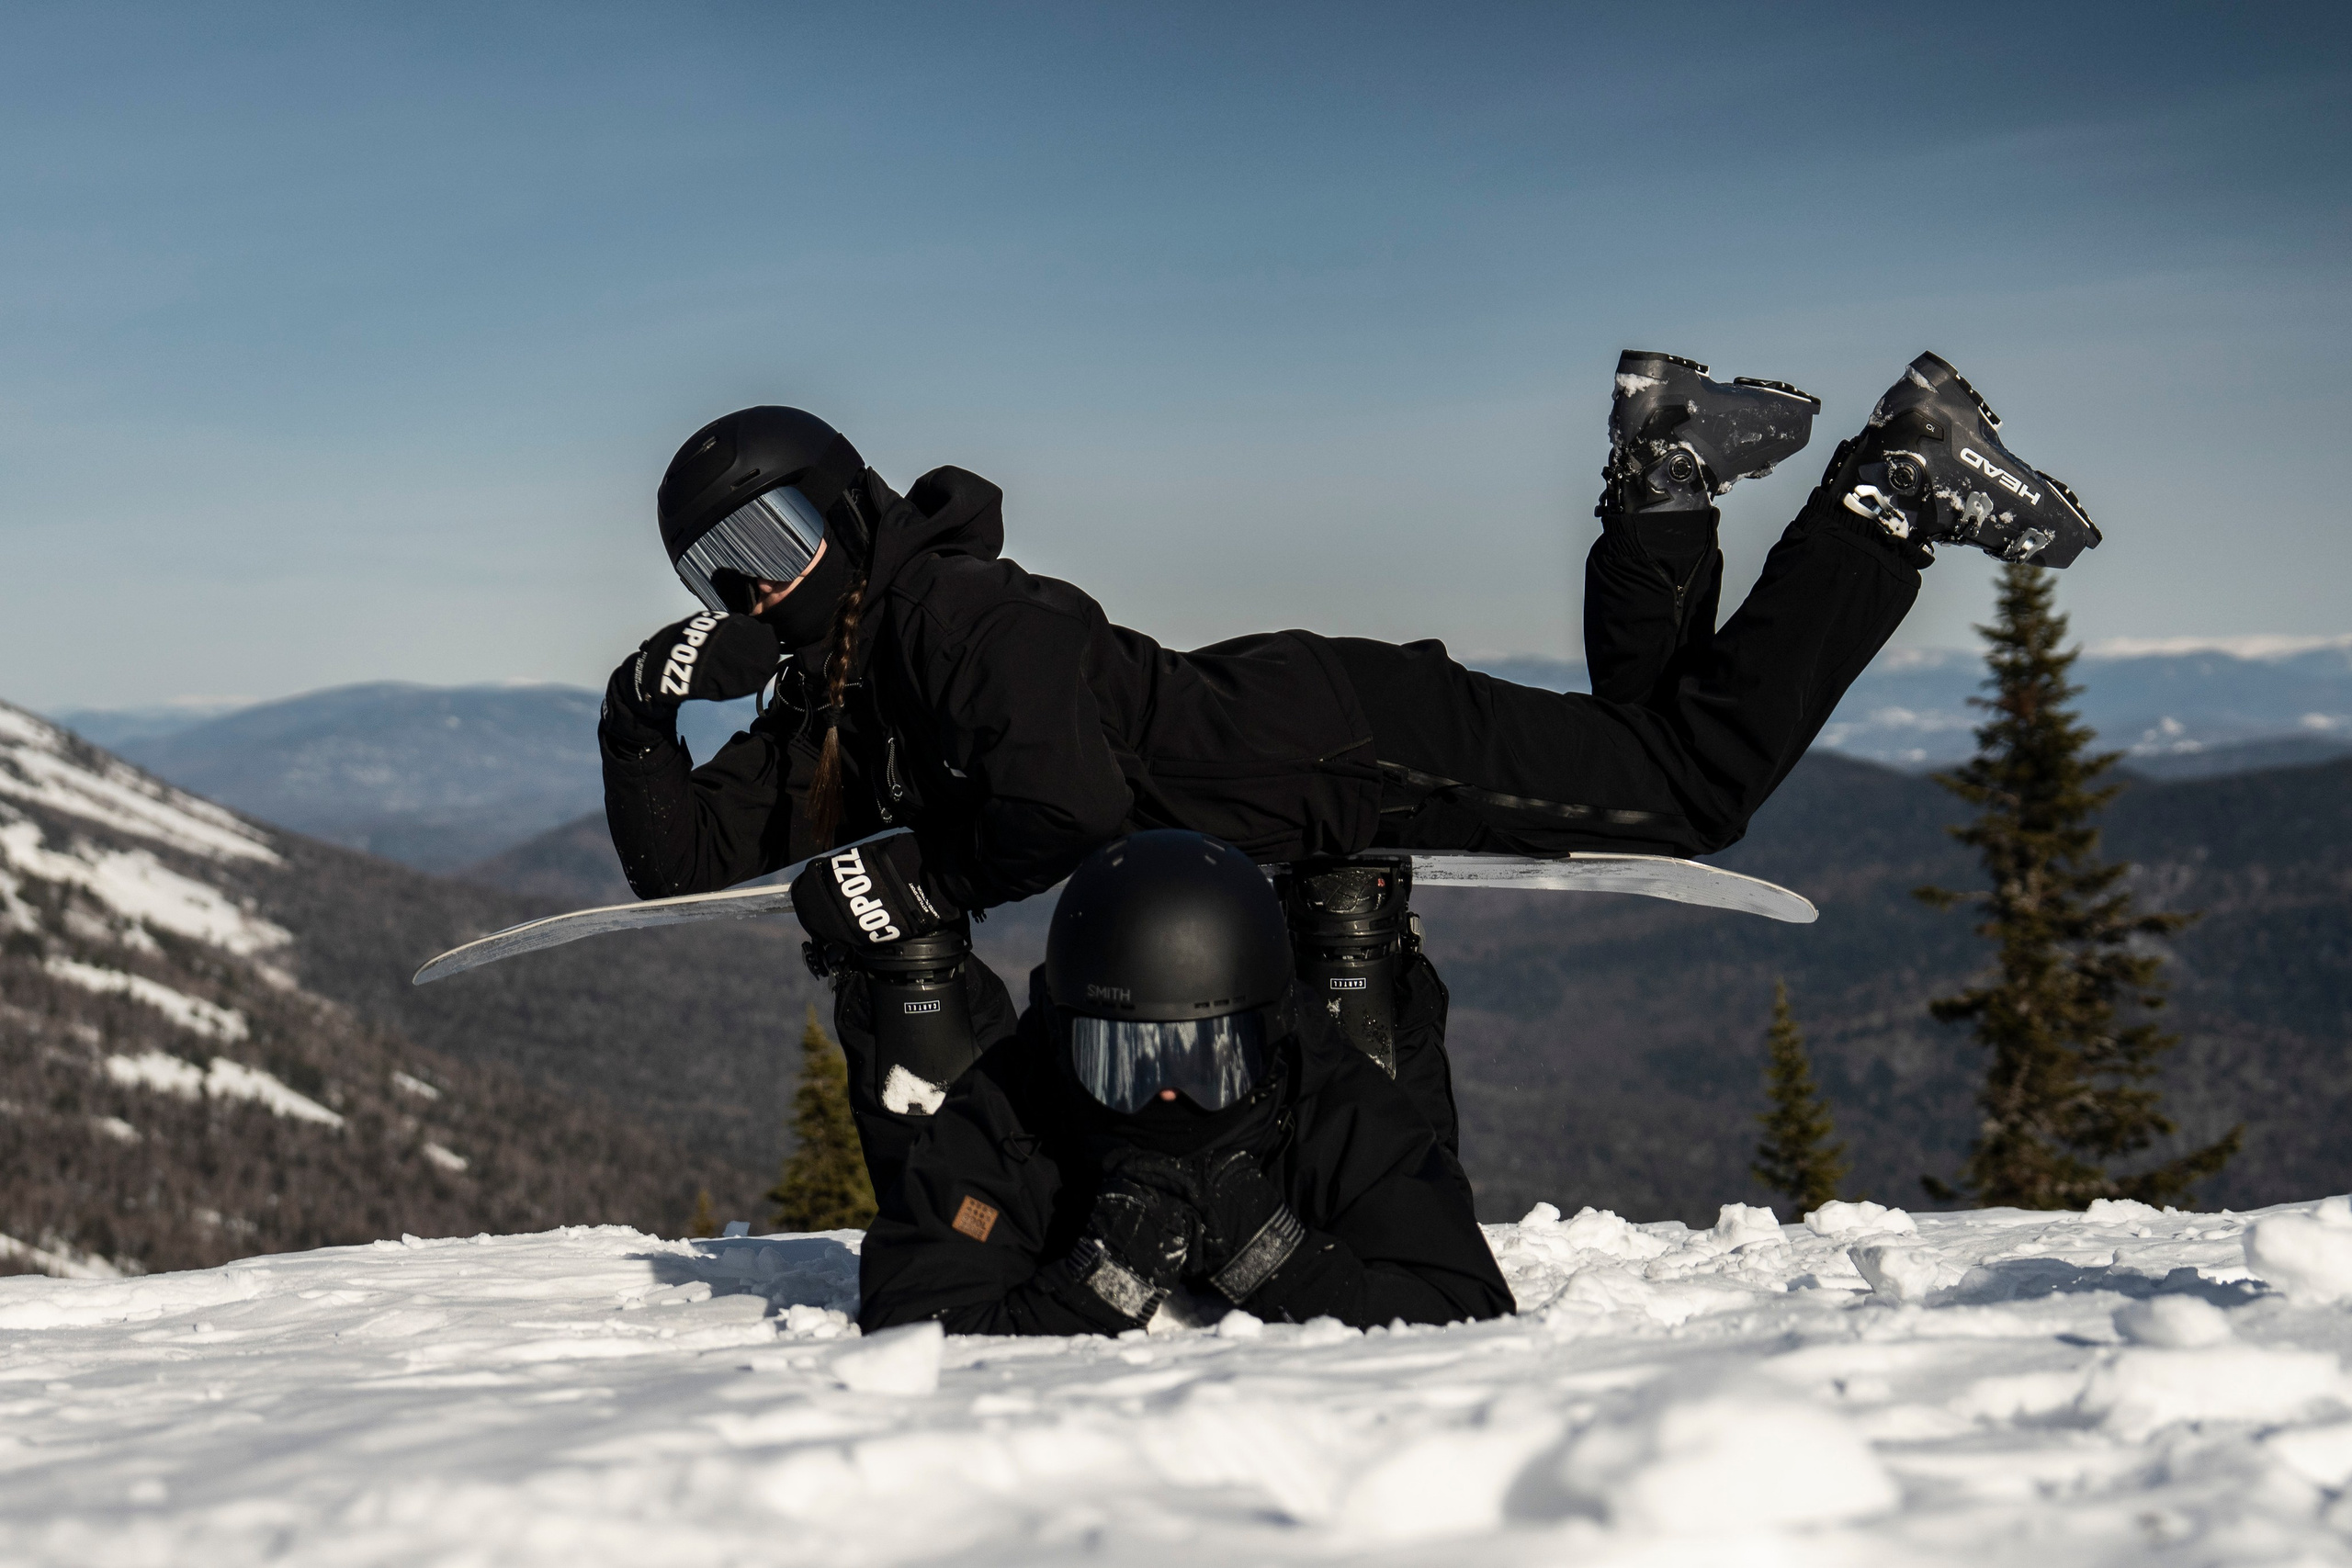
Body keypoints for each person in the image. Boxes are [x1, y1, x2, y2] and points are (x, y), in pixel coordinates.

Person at [599, 348, 2099, 1196]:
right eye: (723, 573)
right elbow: (680, 868)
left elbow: (1066, 803)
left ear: (846, 507)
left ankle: (1886, 489)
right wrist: (644, 706)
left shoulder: (953, 609)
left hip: (1346, 743)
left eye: (776, 543)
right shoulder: (844, 696)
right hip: (1302, 749)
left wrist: (909, 872)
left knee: (1695, 786)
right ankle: (1667, 469)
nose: (760, 590)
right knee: (1653, 741)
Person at [855, 830, 1513, 1335]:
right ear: (1067, 1041)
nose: (1168, 1096)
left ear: (1271, 1038)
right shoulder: (1017, 1105)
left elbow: (1464, 1305)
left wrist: (1277, 1258)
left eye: (1209, 1060)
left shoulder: (1327, 1098)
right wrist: (1094, 1287)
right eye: (1128, 1061)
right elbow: (916, 1313)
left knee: (1401, 1087)